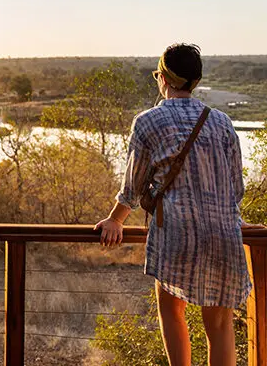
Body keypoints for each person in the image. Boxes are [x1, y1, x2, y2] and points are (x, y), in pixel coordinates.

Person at [95, 43, 254, 366]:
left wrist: (115, 219)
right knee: (220, 326)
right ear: (194, 82)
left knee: (171, 311)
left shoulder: (148, 121)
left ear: (164, 78)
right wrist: (233, 220)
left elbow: (133, 185)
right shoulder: (222, 122)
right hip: (223, 233)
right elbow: (235, 188)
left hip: (177, 233)